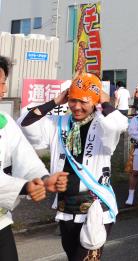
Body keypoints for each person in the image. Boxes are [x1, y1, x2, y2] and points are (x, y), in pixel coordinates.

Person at [20, 73, 128, 261]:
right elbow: (26, 123)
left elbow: (119, 124)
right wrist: (55, 101)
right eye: (72, 100)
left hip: (95, 208)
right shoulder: (59, 123)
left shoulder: (102, 124)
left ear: (94, 102)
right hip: (65, 207)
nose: (76, 107)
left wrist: (104, 100)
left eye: (83, 102)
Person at [0, 56, 69, 261]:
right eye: (1, 83)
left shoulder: (4, 122)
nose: (3, 90)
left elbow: (25, 157)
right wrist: (26, 187)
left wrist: (45, 179)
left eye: (3, 83)